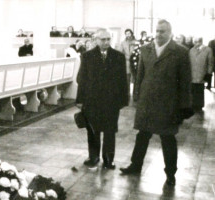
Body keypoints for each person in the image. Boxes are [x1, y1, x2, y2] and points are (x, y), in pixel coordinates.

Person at [120, 20, 192, 186]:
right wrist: (136, 97)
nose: (159, 34)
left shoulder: (180, 52)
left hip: (169, 104)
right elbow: (139, 76)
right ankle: (135, 165)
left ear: (170, 33)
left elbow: (185, 83)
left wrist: (184, 107)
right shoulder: (146, 49)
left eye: (163, 31)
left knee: (168, 139)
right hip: (147, 101)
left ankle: (170, 173)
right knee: (142, 135)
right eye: (157, 31)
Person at [76, 28, 128, 169]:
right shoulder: (87, 56)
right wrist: (80, 100)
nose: (106, 42)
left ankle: (108, 160)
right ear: (96, 40)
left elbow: (124, 79)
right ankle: (93, 158)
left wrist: (124, 99)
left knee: (110, 131)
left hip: (112, 101)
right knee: (93, 131)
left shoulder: (118, 57)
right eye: (103, 39)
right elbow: (82, 79)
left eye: (108, 39)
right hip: (92, 101)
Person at [189, 37, 214, 110]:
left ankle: (199, 105)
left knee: (200, 89)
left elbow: (210, 62)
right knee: (193, 88)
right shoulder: (191, 50)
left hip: (202, 72)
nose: (195, 44)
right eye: (194, 42)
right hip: (193, 72)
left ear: (201, 42)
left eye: (197, 42)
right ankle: (193, 104)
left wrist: (209, 73)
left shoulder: (208, 50)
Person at [120, 29, 137, 98]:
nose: (128, 35)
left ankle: (135, 95)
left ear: (132, 34)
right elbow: (120, 53)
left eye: (129, 33)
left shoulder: (136, 42)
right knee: (127, 79)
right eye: (126, 34)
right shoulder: (123, 43)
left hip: (135, 63)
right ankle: (127, 95)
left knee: (135, 79)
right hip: (126, 63)